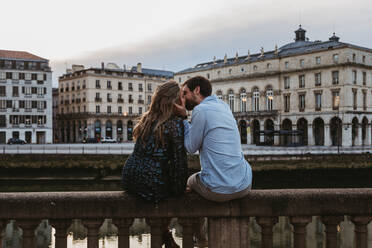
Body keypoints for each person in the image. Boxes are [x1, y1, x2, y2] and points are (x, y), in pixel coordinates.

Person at [122, 81, 188, 248]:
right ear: (174, 101)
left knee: (160, 180)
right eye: (182, 96)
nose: (185, 99)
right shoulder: (175, 123)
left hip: (129, 177)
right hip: (151, 181)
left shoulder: (146, 119)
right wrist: (181, 190)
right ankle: (168, 235)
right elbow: (180, 163)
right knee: (172, 190)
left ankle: (166, 235)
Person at [174, 76, 252, 202]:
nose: (183, 98)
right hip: (244, 185)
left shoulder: (200, 110)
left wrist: (183, 118)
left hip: (217, 191)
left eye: (185, 93)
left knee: (190, 180)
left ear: (197, 90)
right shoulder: (224, 106)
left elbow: (190, 147)